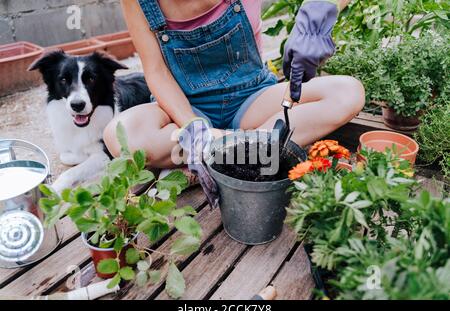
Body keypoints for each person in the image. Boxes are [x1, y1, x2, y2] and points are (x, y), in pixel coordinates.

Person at [104, 0, 365, 206]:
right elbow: (156, 73)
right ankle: (249, 148)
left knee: (347, 93)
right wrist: (195, 127)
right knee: (121, 135)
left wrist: (319, 14)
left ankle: (220, 154)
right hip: (183, 110)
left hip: (250, 99)